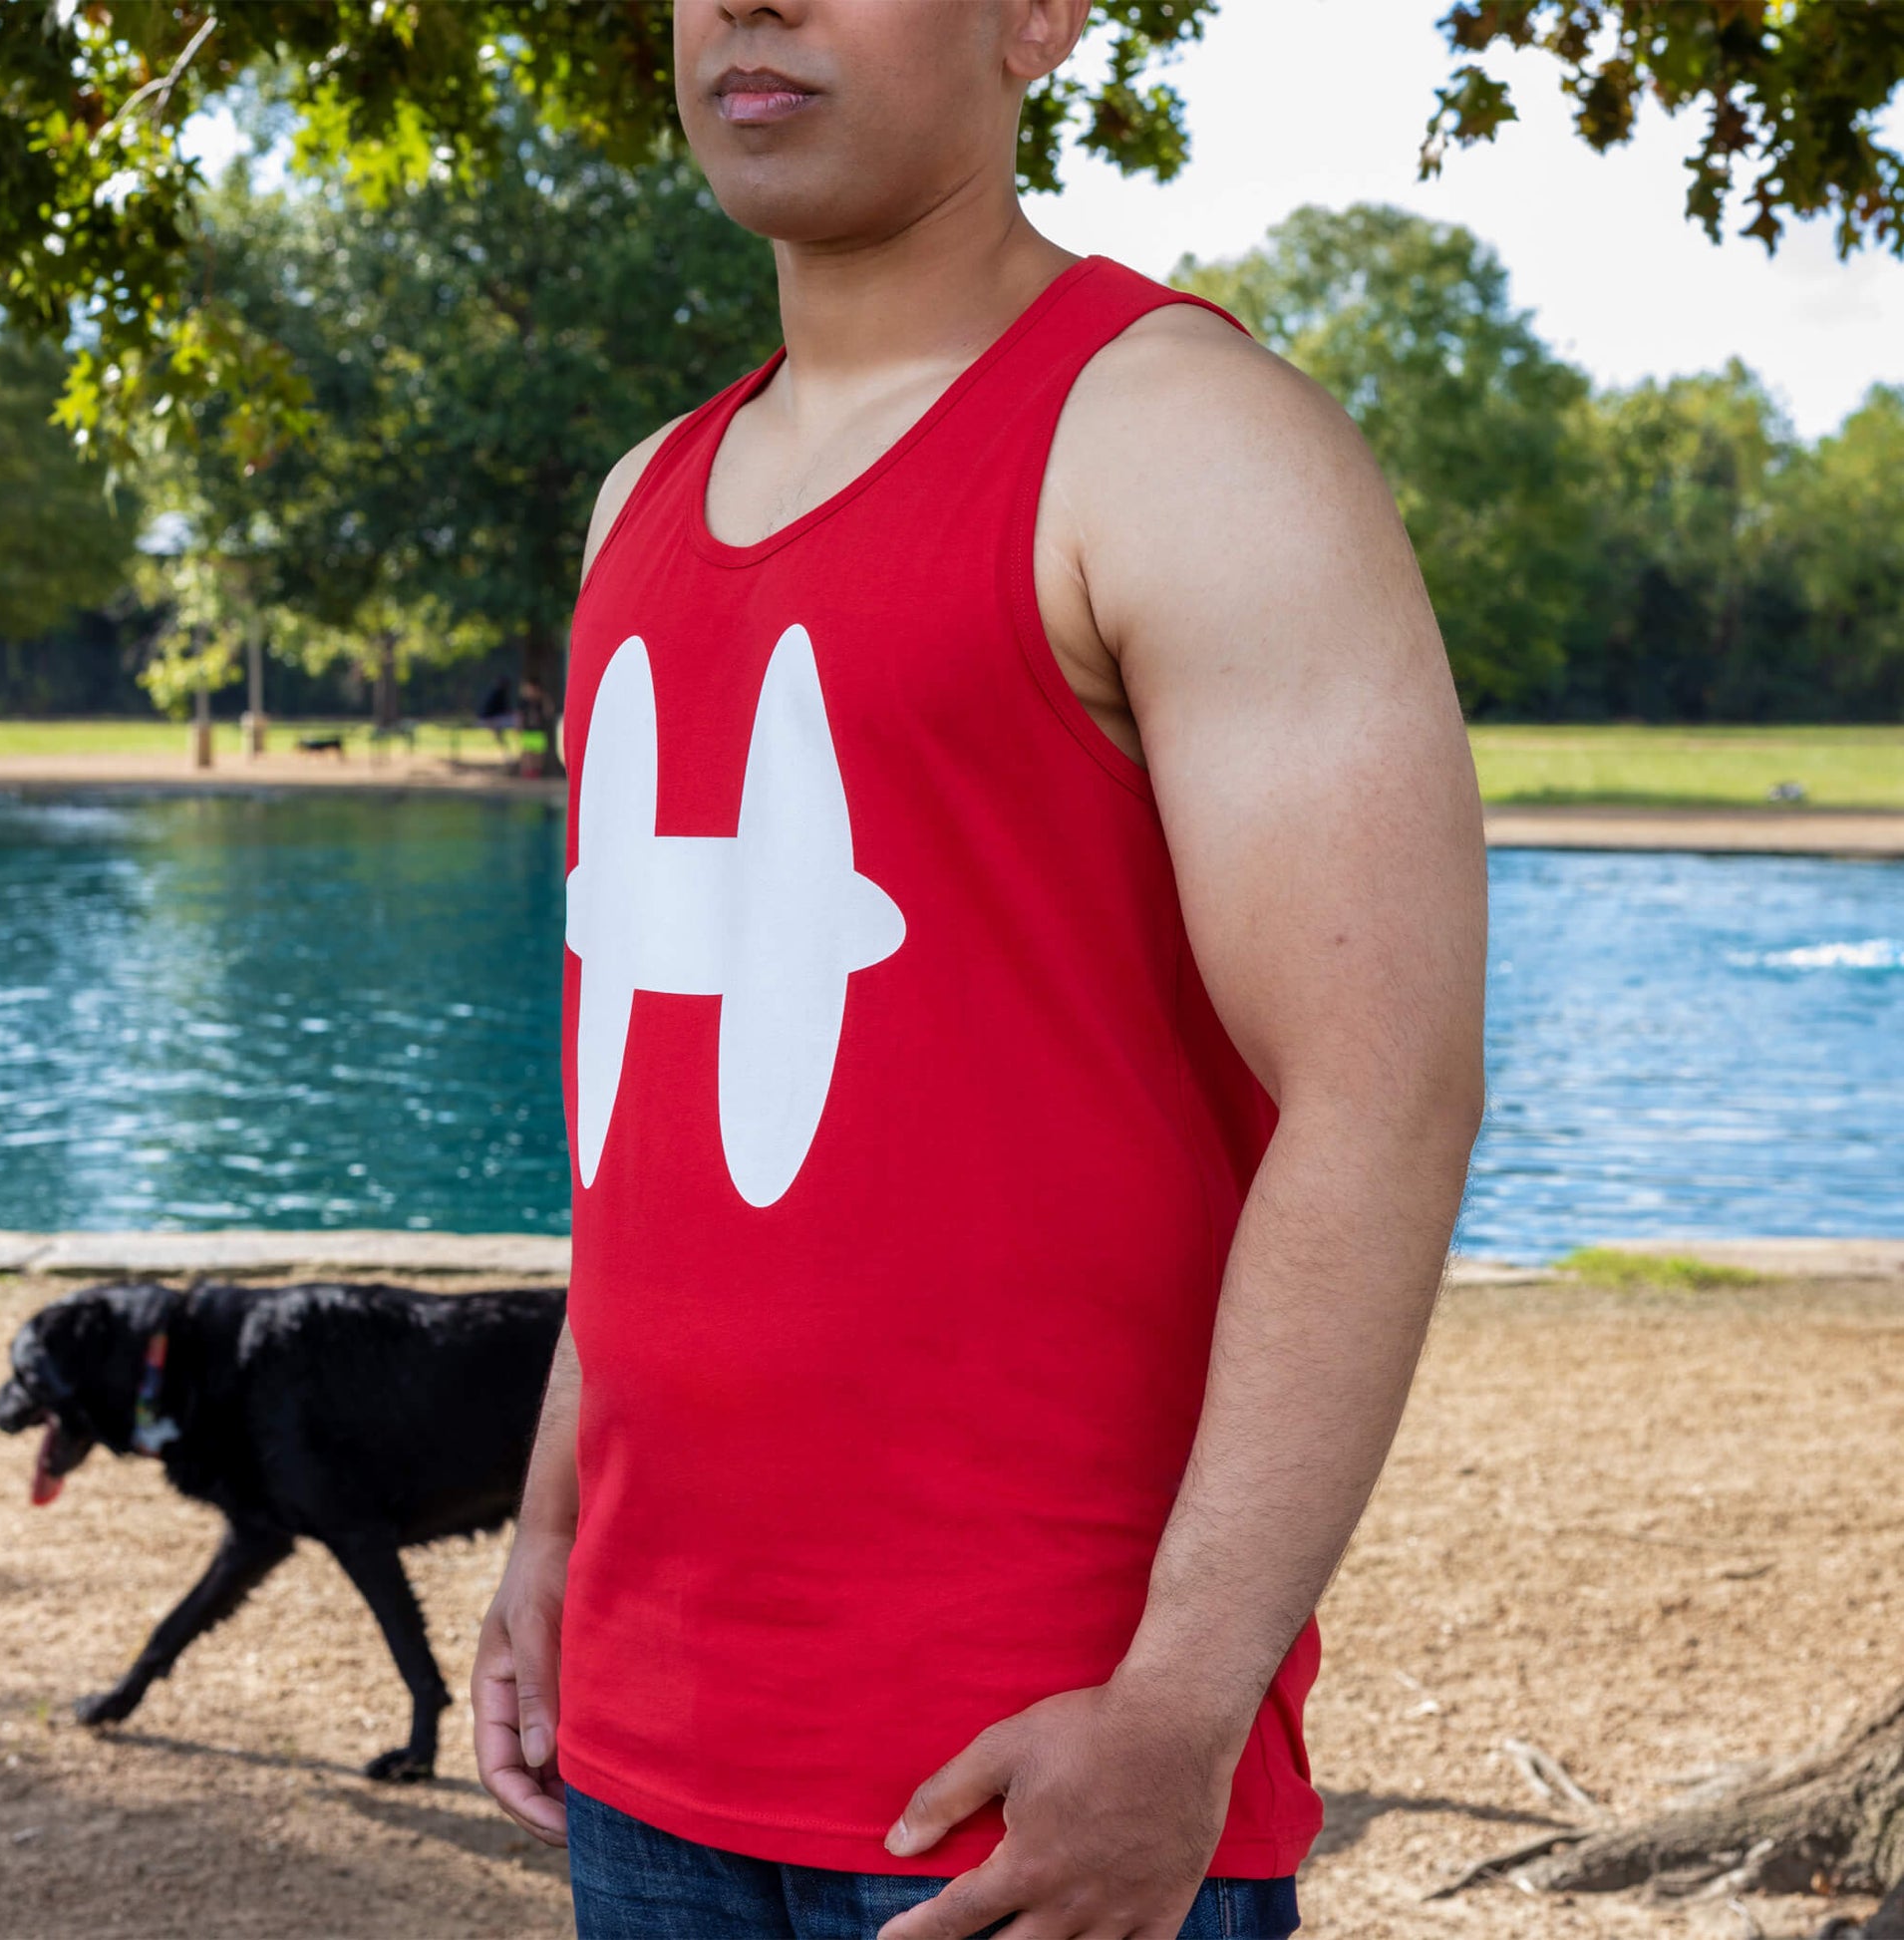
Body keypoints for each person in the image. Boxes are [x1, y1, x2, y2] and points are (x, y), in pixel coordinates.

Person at [474, 4, 1487, 1938]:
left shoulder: (1185, 442)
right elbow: (655, 1102)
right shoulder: (636, 504)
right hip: (650, 1748)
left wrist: (1184, 1700)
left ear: (1039, 16)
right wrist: (547, 1527)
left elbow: (1386, 1097)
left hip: (1032, 1773)